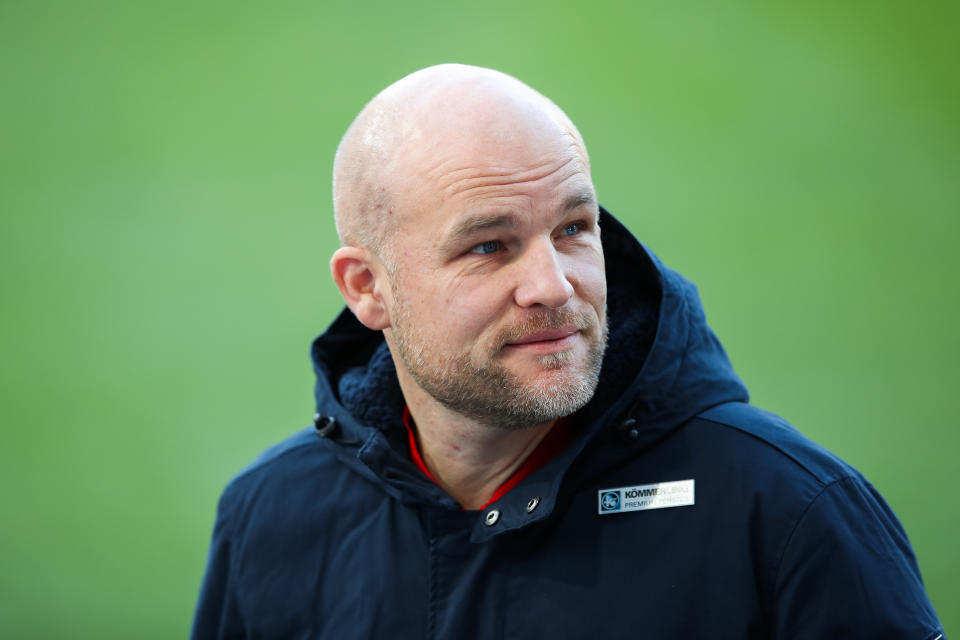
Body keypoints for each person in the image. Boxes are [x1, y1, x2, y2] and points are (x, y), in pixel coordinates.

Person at [192, 64, 946, 639]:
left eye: (573, 228)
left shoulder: (788, 510)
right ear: (368, 288)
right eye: (490, 246)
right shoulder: (270, 517)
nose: (553, 286)